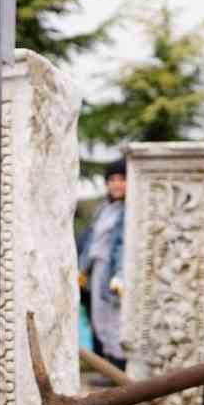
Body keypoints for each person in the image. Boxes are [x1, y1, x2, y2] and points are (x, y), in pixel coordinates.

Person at [77, 158, 128, 370]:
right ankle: (109, 369)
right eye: (112, 180)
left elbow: (123, 245)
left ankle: (119, 369)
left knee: (114, 320)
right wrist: (81, 270)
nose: (116, 184)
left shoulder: (128, 210)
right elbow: (91, 241)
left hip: (112, 272)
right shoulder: (103, 208)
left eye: (121, 179)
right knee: (99, 320)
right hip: (96, 270)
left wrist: (120, 274)